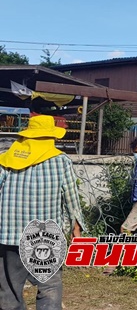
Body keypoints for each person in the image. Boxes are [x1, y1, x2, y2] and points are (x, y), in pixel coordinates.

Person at [0, 115, 85, 310]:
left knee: (10, 289)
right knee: (49, 287)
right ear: (50, 137)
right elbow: (71, 198)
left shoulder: (7, 160)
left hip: (10, 235)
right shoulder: (61, 161)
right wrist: (75, 230)